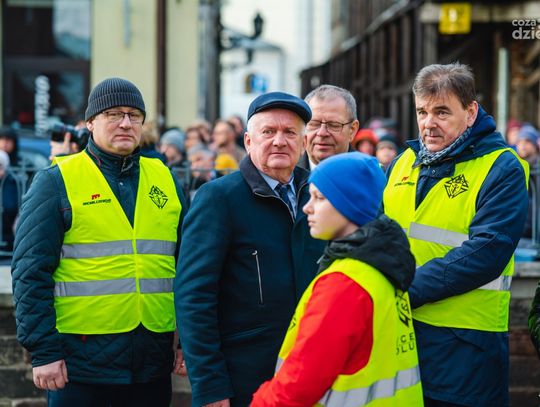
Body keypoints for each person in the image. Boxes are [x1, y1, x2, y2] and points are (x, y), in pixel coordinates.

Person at [11, 77, 188, 406]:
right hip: (79, 366)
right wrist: (43, 351)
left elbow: (189, 269)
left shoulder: (165, 178)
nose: (125, 123)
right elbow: (29, 272)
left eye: (134, 115)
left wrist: (187, 343)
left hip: (151, 364)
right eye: (113, 114)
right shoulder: (57, 181)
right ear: (90, 122)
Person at [383, 63, 529, 406]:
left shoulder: (501, 167)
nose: (428, 123)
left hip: (467, 351)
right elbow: (377, 233)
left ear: (470, 112)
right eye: (422, 112)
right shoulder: (403, 162)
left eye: (442, 112)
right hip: (402, 341)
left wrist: (404, 289)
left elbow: (487, 252)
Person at [175, 92, 326, 407]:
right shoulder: (219, 198)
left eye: (289, 133)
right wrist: (210, 385)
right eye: (268, 132)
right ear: (247, 141)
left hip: (311, 372)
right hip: (244, 378)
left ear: (303, 142)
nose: (279, 141)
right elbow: (194, 297)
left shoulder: (319, 195)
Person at [252, 152, 423, 406]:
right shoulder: (381, 266)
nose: (307, 207)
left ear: (350, 204)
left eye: (319, 198)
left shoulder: (344, 284)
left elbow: (298, 385)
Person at [298, 84, 359, 171]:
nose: (322, 133)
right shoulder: (284, 172)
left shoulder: (372, 176)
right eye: (314, 124)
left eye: (333, 125)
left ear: (352, 130)